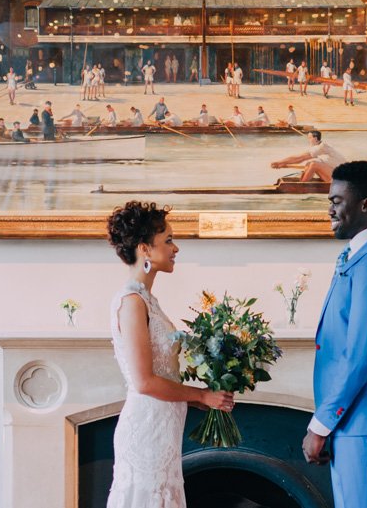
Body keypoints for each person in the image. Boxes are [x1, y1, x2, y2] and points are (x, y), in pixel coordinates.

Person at [105, 202, 235, 507]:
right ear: (145, 249)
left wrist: (196, 398)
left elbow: (162, 374)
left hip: (163, 432)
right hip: (146, 432)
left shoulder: (148, 300)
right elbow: (144, 382)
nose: (175, 248)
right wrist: (201, 395)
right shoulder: (132, 302)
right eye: (168, 240)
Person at [302, 161, 367, 507]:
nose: (330, 209)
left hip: (366, 415)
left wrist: (320, 425)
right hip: (353, 418)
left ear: (366, 204)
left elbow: (359, 356)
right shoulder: (359, 255)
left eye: (337, 201)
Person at [270, 130, 346, 183]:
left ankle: (301, 185)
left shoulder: (322, 147)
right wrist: (284, 164)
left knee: (313, 164)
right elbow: (304, 162)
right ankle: (302, 182)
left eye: (309, 138)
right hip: (335, 176)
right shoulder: (318, 149)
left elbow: (300, 158)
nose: (308, 140)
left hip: (341, 179)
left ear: (315, 138)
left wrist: (279, 162)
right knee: (310, 163)